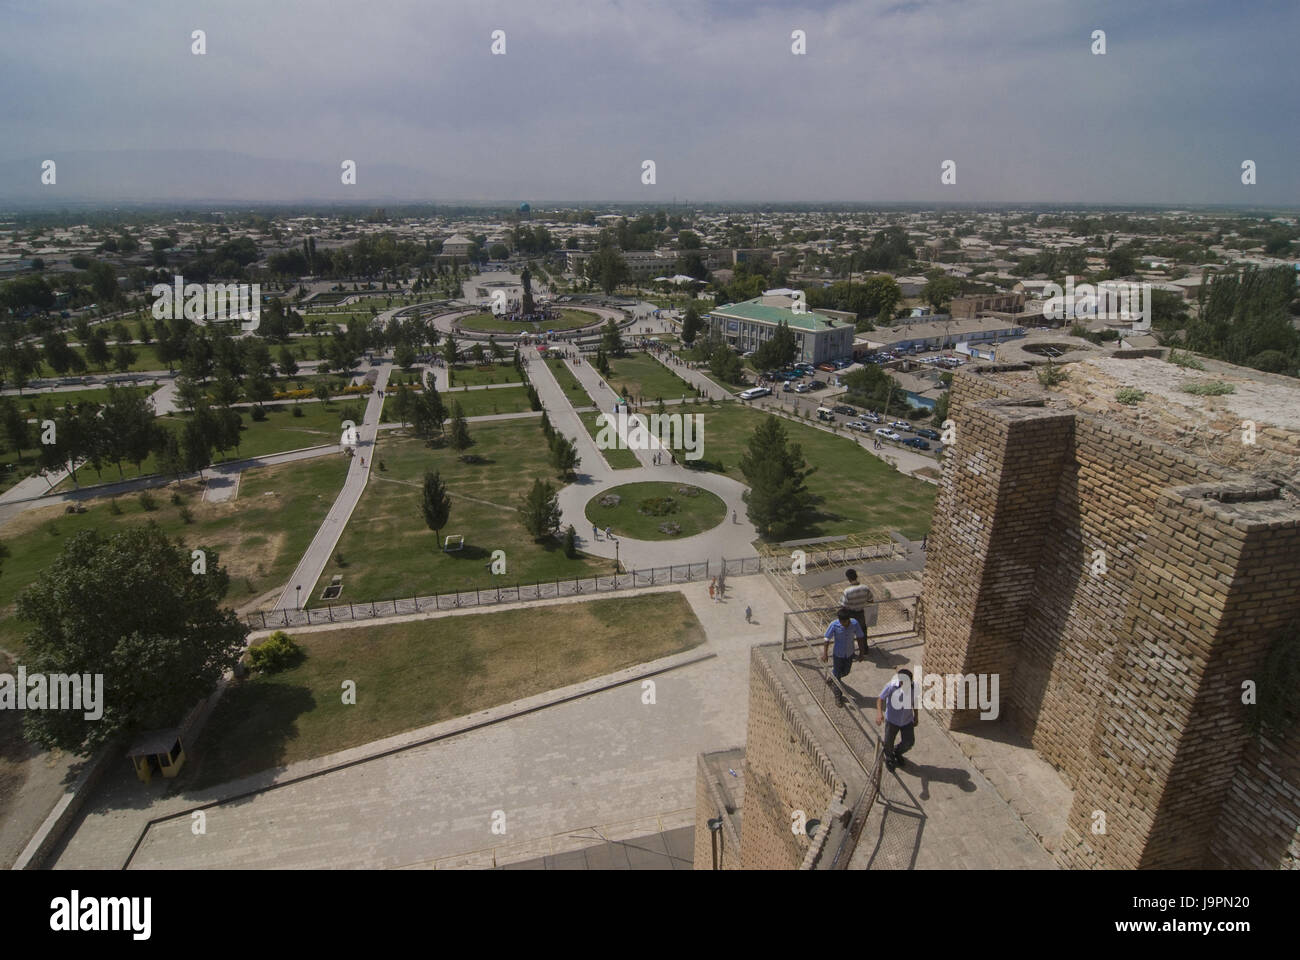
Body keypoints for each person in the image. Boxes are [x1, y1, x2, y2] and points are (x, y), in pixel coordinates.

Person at [821, 609, 864, 708]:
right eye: (841, 622)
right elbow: (827, 638)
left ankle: (833, 677)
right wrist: (825, 654)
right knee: (838, 677)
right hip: (838, 655)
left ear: (848, 619)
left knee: (845, 672)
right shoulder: (834, 625)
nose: (843, 624)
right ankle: (838, 696)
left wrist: (861, 652)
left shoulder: (854, 623)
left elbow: (860, 637)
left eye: (845, 622)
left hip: (849, 654)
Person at [876, 670, 917, 770]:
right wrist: (879, 713)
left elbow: (914, 702)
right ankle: (889, 758)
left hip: (907, 720)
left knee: (909, 741)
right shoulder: (891, 686)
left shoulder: (914, 688)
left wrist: (916, 716)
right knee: (888, 742)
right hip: (892, 720)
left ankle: (897, 752)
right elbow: (880, 699)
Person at [841, 569, 875, 661]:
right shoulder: (865, 588)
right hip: (861, 613)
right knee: (863, 632)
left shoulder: (847, 591)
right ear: (856, 576)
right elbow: (871, 600)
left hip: (851, 614)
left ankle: (850, 652)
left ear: (848, 578)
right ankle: (864, 650)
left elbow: (844, 605)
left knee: (850, 633)